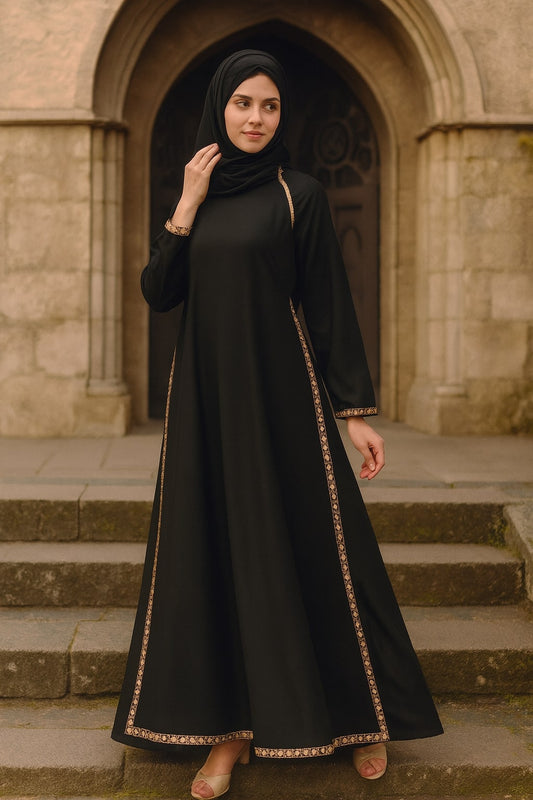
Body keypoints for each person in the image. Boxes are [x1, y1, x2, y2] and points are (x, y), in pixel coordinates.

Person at [112, 50, 443, 799]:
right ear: (219, 109)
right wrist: (186, 204)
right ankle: (227, 737)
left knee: (319, 545)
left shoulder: (302, 194)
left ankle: (361, 717)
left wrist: (354, 413)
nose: (255, 118)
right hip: (204, 403)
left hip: (284, 396)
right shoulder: (194, 192)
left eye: (268, 106)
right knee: (216, 555)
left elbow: (328, 302)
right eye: (242, 104)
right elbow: (159, 292)